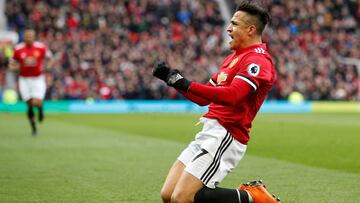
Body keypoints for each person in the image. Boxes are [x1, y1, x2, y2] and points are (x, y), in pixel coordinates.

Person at [153, 1, 280, 203]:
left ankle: (253, 197)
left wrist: (184, 83)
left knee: (183, 197)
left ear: (251, 30)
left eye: (234, 24)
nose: (228, 28)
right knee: (168, 194)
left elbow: (234, 96)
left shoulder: (258, 60)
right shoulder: (233, 59)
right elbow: (204, 98)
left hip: (227, 134)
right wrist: (173, 80)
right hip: (209, 131)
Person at [9, 28, 55, 136]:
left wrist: (48, 67)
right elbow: (11, 65)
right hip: (24, 79)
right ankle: (34, 128)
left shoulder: (40, 47)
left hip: (38, 78)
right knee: (29, 105)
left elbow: (51, 58)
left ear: (34, 37)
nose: (28, 38)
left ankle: (40, 108)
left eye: (30, 36)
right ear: (24, 37)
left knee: (35, 102)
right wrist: (20, 66)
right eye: (27, 36)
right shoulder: (18, 49)